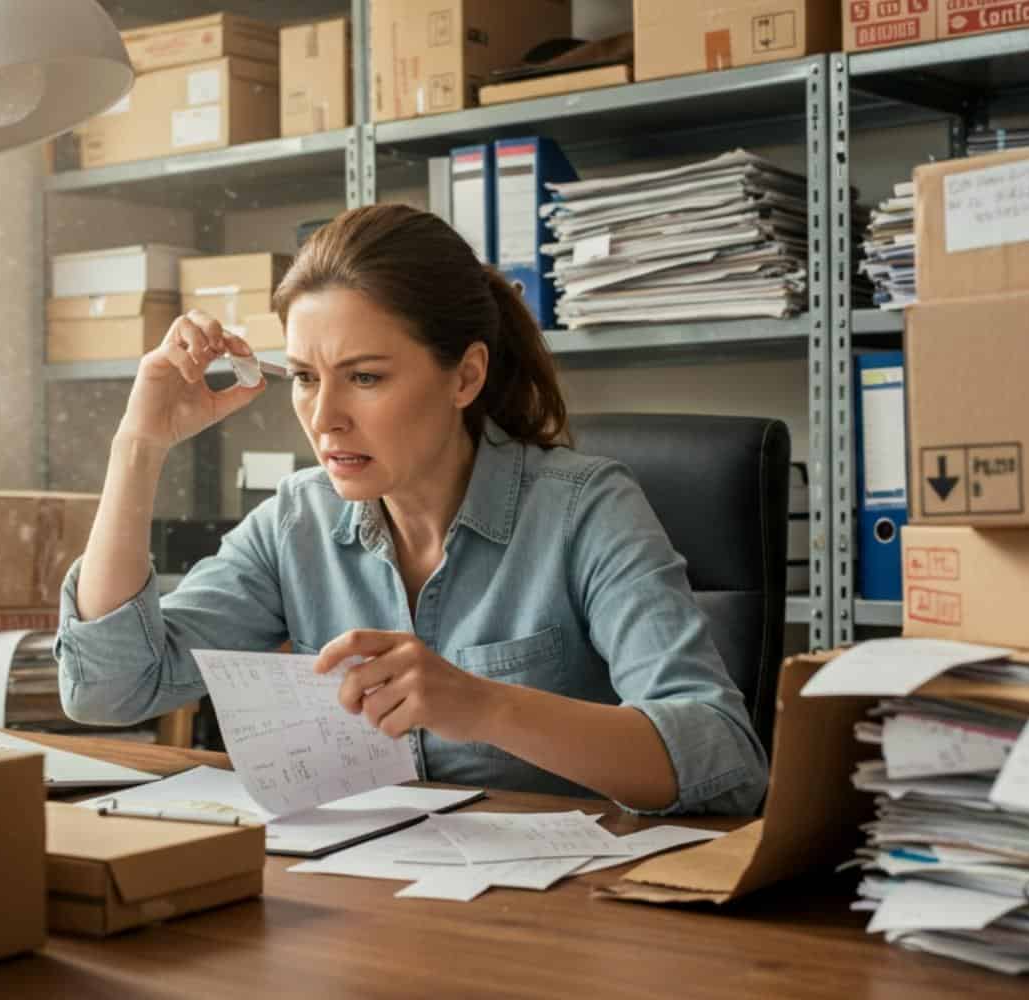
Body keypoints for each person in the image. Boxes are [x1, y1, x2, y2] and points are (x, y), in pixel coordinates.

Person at [56, 204, 768, 815]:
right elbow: (108, 690)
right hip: (367, 896)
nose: (324, 418)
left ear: (465, 376)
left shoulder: (586, 509)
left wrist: (483, 705)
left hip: (560, 910)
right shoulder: (297, 521)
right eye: (304, 378)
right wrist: (139, 445)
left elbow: (728, 762)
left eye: (365, 377)